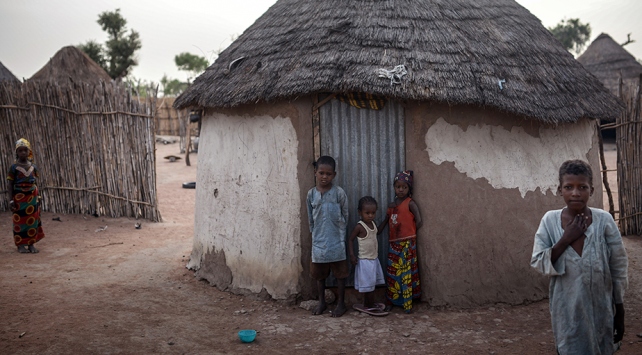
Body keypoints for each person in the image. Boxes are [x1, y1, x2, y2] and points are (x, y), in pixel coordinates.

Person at [531, 159, 628, 355]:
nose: (575, 193)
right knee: (570, 347)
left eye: (582, 187)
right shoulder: (550, 221)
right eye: (569, 187)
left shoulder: (604, 221)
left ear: (591, 190)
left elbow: (618, 267)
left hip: (602, 308)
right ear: (560, 190)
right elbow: (538, 261)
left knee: (602, 346)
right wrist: (565, 239)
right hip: (567, 310)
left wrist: (620, 310)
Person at [306, 155, 349, 317]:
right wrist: (315, 233)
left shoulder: (338, 193)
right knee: (319, 275)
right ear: (315, 172)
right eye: (321, 173)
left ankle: (341, 304)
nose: (325, 177)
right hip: (318, 241)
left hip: (337, 240)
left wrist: (340, 232)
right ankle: (322, 302)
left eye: (328, 174)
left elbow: (346, 214)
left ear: (334, 175)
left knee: (340, 274)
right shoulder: (311, 195)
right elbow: (310, 218)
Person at [378, 170, 422, 313]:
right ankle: (392, 300)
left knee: (406, 274)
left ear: (409, 189)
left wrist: (410, 233)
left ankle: (407, 302)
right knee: (393, 274)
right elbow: (386, 221)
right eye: (398, 187)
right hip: (394, 244)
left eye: (404, 187)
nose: (401, 190)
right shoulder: (391, 206)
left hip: (407, 245)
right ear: (394, 187)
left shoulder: (410, 203)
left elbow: (419, 220)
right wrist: (376, 231)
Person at [348, 196, 387, 316]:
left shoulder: (373, 224)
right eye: (367, 213)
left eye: (373, 213)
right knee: (368, 286)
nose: (370, 215)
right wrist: (352, 255)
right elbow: (350, 240)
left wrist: (386, 219)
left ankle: (370, 303)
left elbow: (378, 231)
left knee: (372, 284)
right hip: (365, 261)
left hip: (374, 259)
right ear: (360, 213)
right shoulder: (359, 226)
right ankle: (368, 305)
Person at [7, 138, 45, 253]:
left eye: (25, 150)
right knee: (19, 221)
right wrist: (11, 200)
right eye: (20, 150)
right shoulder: (13, 168)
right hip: (19, 198)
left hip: (32, 197)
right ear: (16, 152)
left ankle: (31, 244)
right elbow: (10, 184)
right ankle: (20, 245)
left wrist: (38, 197)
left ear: (29, 152)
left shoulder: (33, 167)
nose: (23, 153)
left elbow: (36, 183)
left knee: (33, 220)